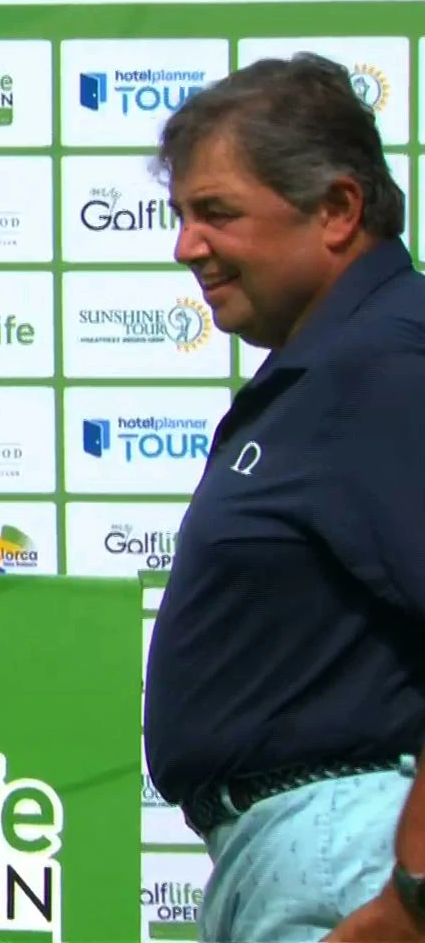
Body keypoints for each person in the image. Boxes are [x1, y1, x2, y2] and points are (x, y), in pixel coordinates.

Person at [141, 52, 425, 942]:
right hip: (304, 855)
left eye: (217, 213)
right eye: (181, 216)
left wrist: (416, 892)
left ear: (337, 210)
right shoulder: (340, 365)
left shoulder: (385, 369)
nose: (187, 246)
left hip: (347, 857)